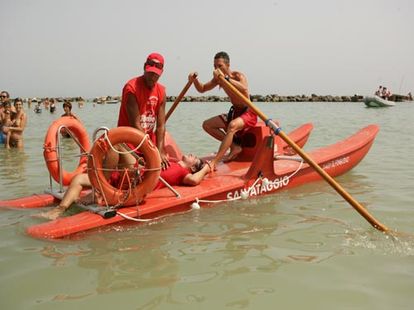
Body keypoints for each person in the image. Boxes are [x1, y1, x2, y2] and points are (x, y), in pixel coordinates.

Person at [37, 153, 212, 220]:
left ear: (192, 166)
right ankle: (60, 210)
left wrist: (206, 167)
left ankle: (98, 191)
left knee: (119, 146)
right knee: (78, 180)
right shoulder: (171, 160)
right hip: (119, 176)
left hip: (134, 182)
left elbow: (195, 180)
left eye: (194, 157)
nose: (191, 154)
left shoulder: (182, 173)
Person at [188, 51, 257, 169]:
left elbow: (244, 88)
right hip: (235, 112)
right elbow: (202, 89)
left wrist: (226, 79)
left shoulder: (238, 76)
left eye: (220, 66)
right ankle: (235, 146)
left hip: (248, 112)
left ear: (228, 65)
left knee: (232, 125)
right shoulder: (218, 79)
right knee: (207, 125)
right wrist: (194, 80)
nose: (216, 69)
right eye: (215, 66)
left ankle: (215, 161)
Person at [117, 52, 169, 169]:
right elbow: (135, 125)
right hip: (129, 142)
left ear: (161, 73)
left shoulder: (161, 91)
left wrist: (159, 150)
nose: (152, 77)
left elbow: (161, 126)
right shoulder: (131, 88)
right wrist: (152, 152)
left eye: (156, 74)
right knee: (136, 171)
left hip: (148, 141)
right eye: (150, 72)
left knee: (164, 166)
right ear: (144, 67)